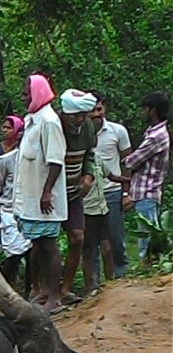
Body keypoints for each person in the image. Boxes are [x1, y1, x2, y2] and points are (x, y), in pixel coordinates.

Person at [13, 74, 67, 313]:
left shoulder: (49, 122)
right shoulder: (32, 120)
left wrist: (47, 192)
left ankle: (55, 296)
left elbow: (56, 161)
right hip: (30, 197)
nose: (24, 97)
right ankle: (43, 291)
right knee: (38, 244)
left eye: (27, 93)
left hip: (44, 199)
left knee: (48, 245)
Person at [59, 89, 97, 305]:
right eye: (75, 115)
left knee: (77, 238)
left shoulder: (88, 127)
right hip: (51, 193)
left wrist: (88, 175)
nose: (80, 119)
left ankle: (66, 288)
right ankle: (41, 288)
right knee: (44, 243)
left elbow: (90, 153)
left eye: (83, 114)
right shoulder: (53, 124)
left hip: (74, 192)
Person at [88, 90, 132, 278]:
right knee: (91, 243)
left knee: (115, 239)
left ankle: (120, 278)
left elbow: (127, 163)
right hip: (89, 197)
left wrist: (126, 193)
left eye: (100, 109)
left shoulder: (117, 131)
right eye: (93, 110)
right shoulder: (80, 135)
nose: (97, 114)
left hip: (112, 193)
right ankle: (95, 285)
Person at [123, 91, 170, 261]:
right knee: (149, 239)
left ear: (153, 110)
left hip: (147, 193)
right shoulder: (155, 133)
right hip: (149, 193)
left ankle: (148, 277)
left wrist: (119, 162)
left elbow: (132, 161)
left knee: (146, 242)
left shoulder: (155, 137)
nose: (143, 112)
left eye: (145, 109)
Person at [0, 116, 33, 294]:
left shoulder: (36, 161)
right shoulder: (6, 160)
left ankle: (29, 290)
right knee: (13, 254)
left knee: (33, 253)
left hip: (32, 211)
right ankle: (6, 289)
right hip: (10, 211)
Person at [82, 157, 114, 295]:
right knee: (88, 250)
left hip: (102, 210)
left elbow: (111, 176)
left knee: (107, 248)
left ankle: (111, 284)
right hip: (87, 211)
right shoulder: (80, 162)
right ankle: (90, 287)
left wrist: (127, 181)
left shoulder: (98, 159)